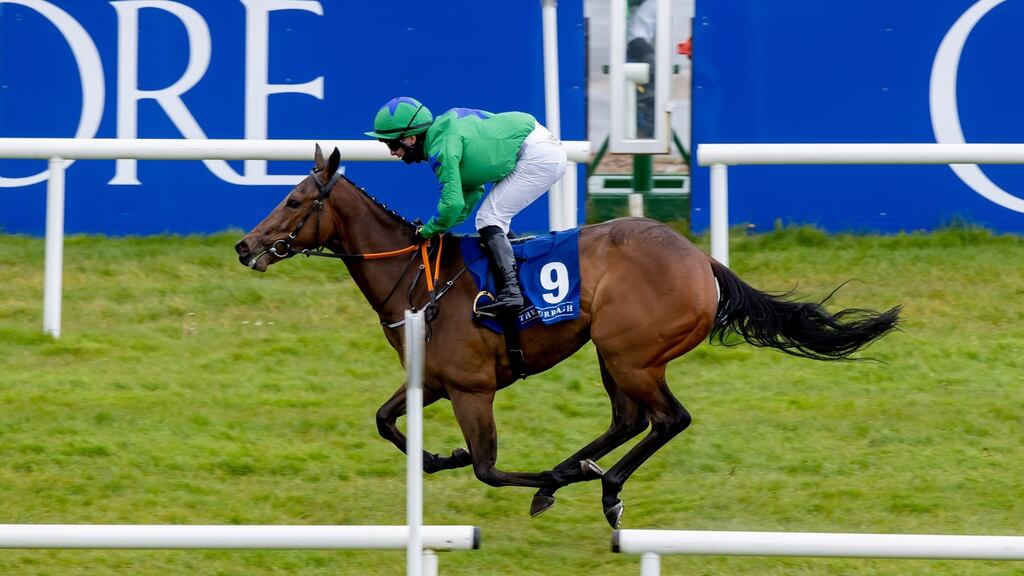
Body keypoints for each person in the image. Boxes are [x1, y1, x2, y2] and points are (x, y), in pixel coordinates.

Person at [366, 97, 567, 314]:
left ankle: (513, 292)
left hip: (538, 155)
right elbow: (471, 194)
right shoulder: (442, 134)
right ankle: (518, 281)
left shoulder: (441, 148)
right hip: (538, 146)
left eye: (393, 144)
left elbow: (452, 204)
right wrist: (436, 229)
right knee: (491, 218)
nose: (392, 153)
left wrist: (427, 231)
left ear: (411, 138)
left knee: (490, 218)